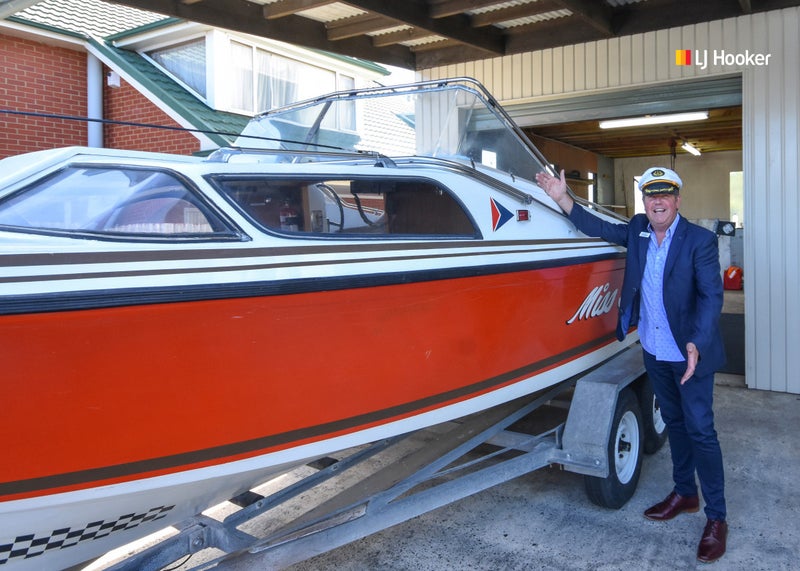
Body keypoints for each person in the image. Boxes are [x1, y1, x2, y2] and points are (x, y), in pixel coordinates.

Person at [535, 166, 728, 563]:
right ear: (645, 202)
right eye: (651, 196)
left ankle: (717, 518)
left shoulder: (700, 241)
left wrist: (697, 342)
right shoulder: (639, 231)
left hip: (690, 355)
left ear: (677, 200)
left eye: (665, 195)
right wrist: (561, 197)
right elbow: (598, 226)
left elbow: (712, 298)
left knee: (701, 431)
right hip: (655, 350)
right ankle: (685, 494)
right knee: (674, 424)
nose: (657, 202)